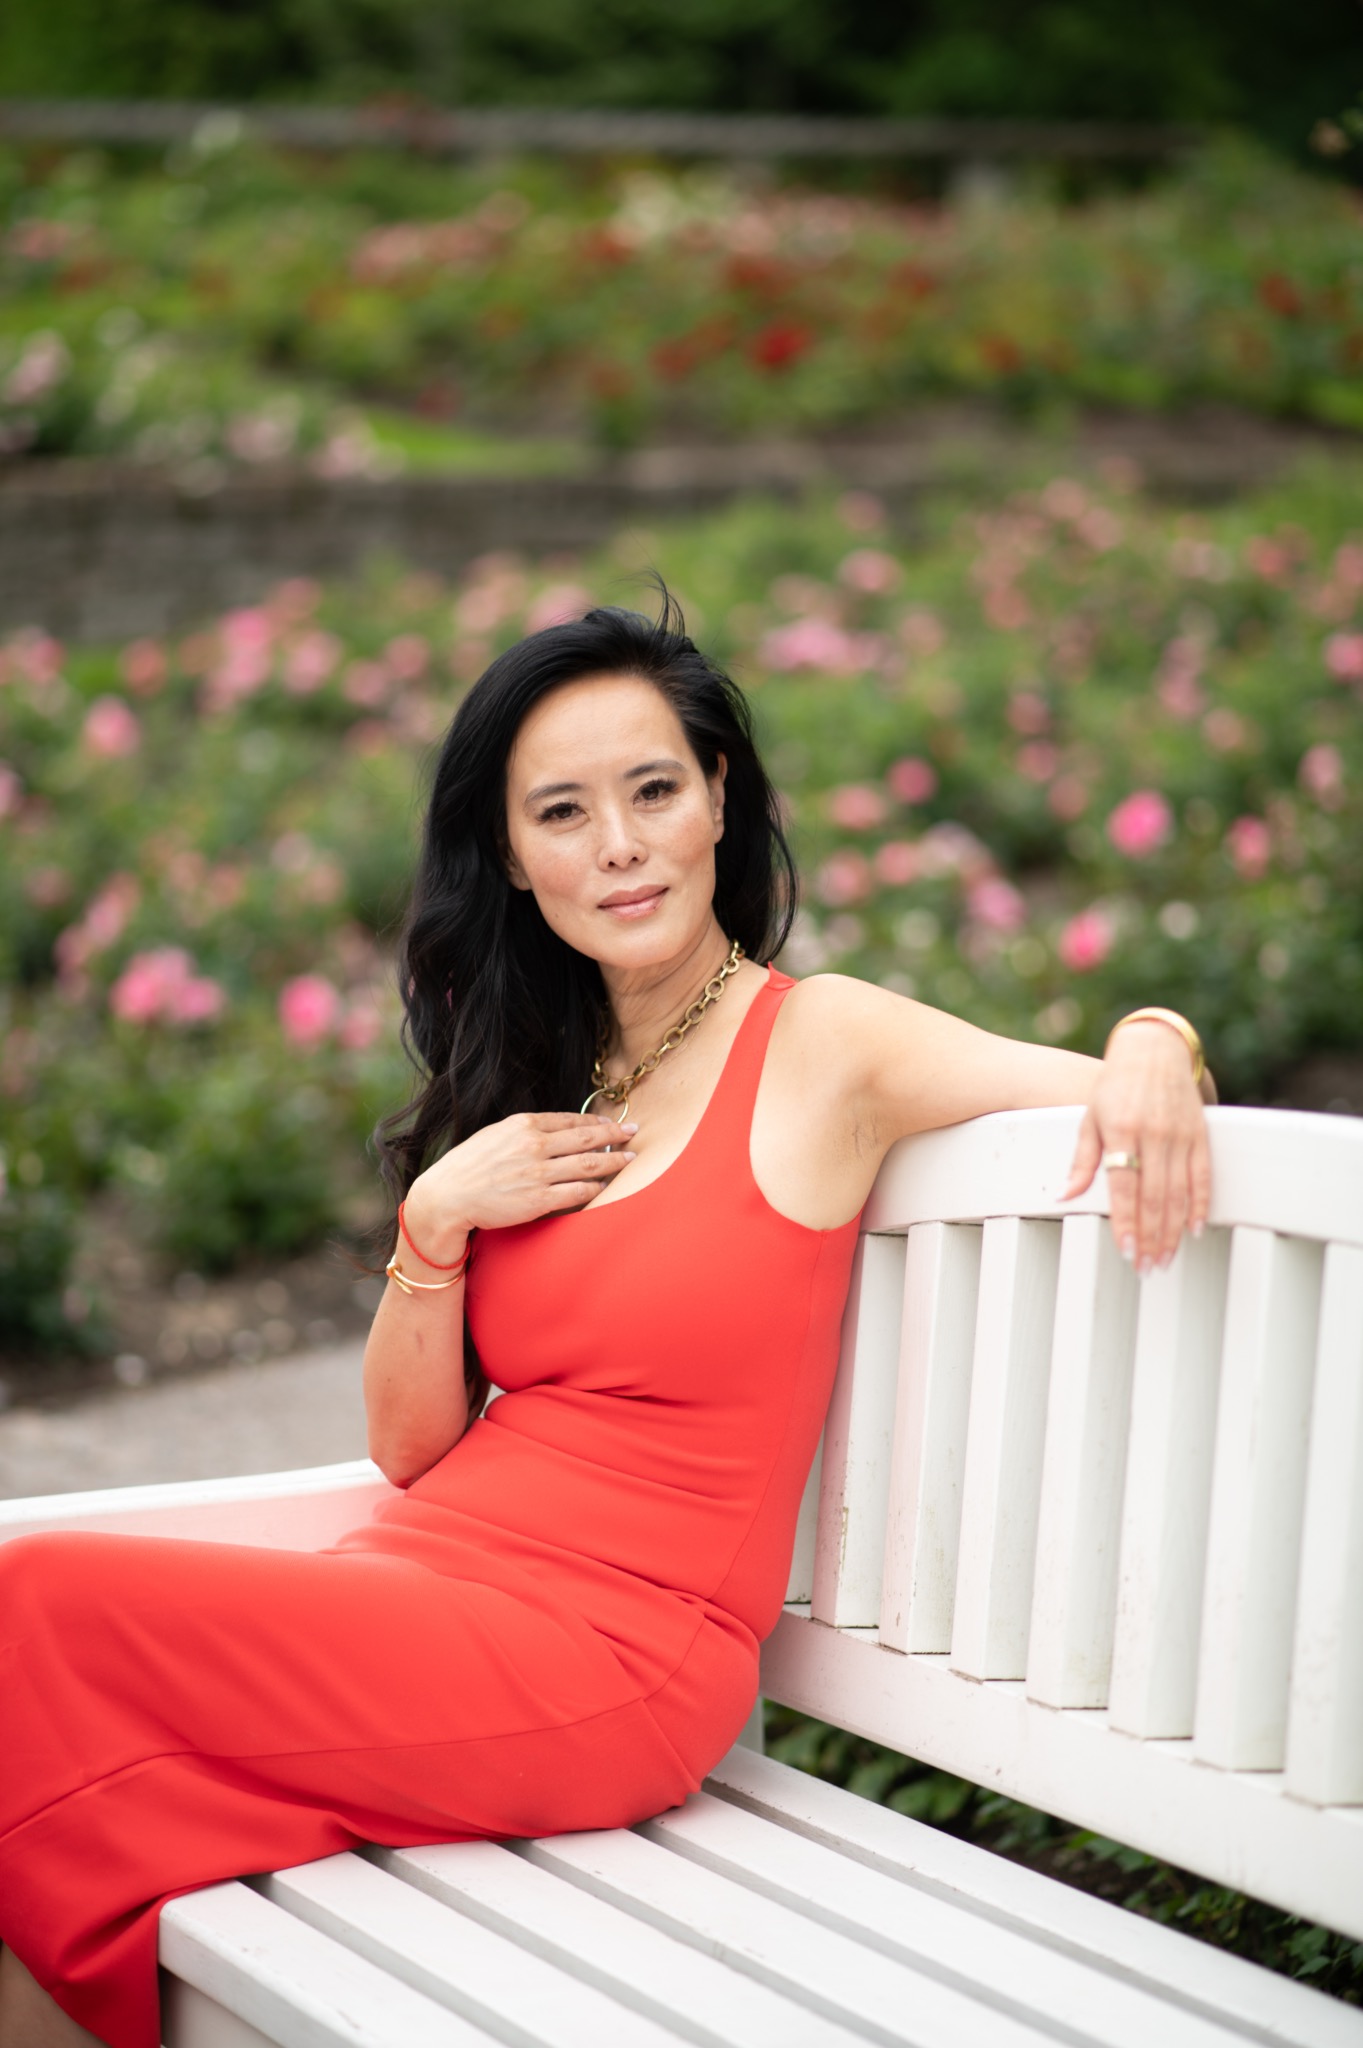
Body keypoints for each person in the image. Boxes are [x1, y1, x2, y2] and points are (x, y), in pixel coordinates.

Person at [0, 593, 1214, 2047]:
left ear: (719, 800)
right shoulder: (555, 1080)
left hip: (613, 1657)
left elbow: (1111, 1082)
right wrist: (435, 1219)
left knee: (31, 1607)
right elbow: (409, 1450)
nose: (620, 845)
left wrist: (1157, 1037)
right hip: (428, 1587)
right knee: (70, 1781)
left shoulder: (822, 1044)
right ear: (513, 859)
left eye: (652, 791)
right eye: (563, 813)